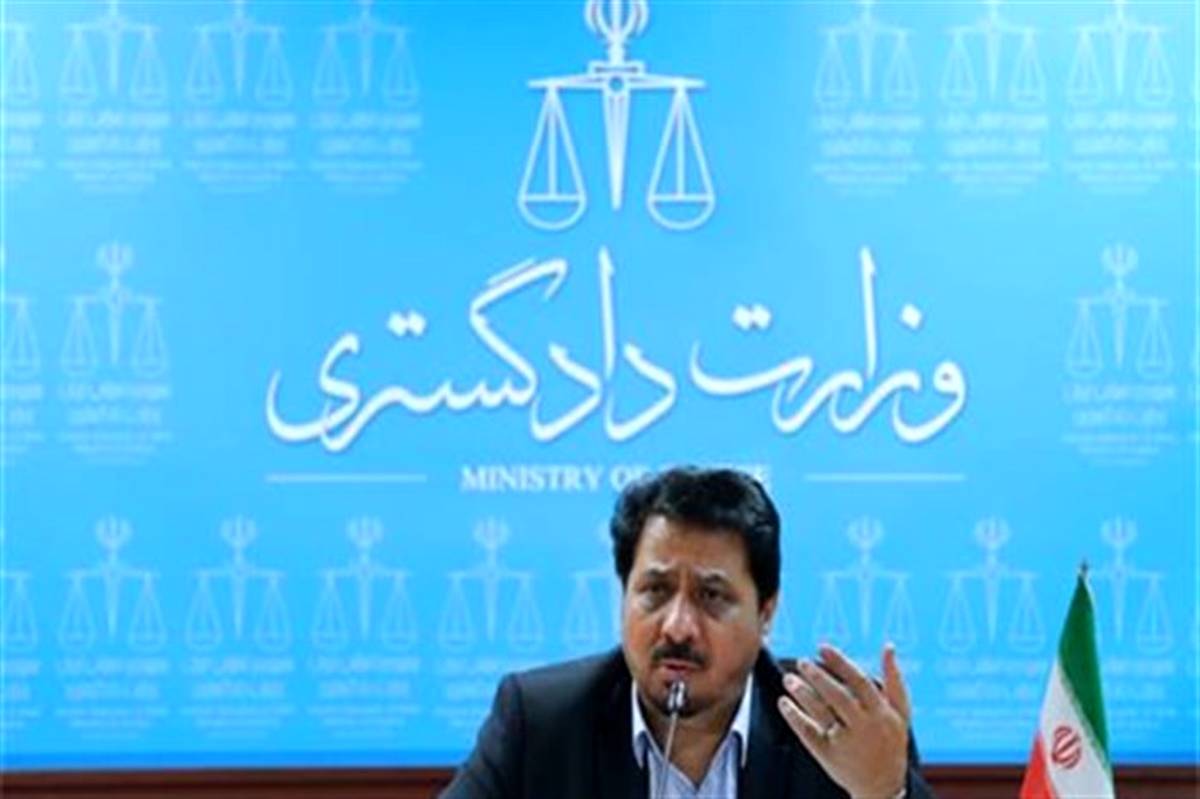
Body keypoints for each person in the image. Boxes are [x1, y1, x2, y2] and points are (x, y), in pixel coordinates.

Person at [440, 466, 935, 799]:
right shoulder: (542, 723)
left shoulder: (841, 727)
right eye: (655, 591)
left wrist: (883, 792)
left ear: (766, 612)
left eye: (711, 596)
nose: (677, 626)